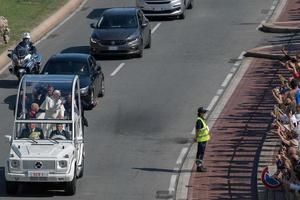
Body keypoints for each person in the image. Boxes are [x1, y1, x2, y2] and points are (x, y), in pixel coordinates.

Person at [195, 106, 211, 172]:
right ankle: (199, 167)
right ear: (201, 113)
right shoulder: (199, 120)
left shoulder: (201, 119)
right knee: (200, 154)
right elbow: (198, 130)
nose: (205, 113)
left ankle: (200, 166)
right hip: (201, 140)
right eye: (204, 112)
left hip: (204, 139)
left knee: (201, 153)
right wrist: (196, 137)